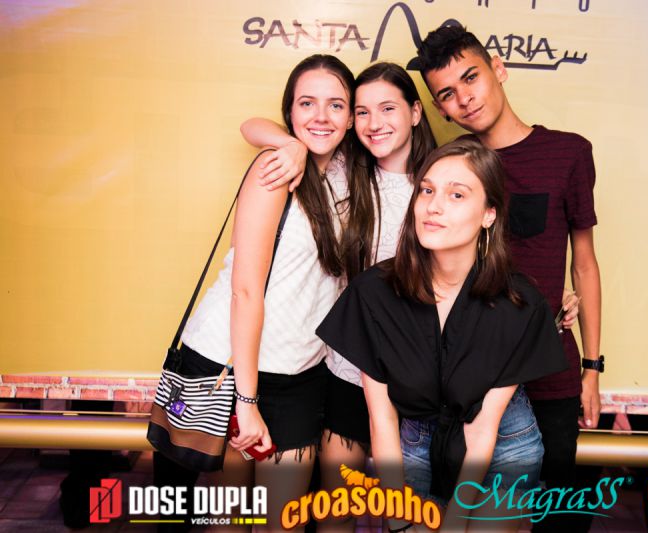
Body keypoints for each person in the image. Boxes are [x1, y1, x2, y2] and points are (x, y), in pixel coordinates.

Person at [317, 138, 567, 532]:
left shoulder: (519, 303)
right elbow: (381, 419)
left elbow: (482, 428)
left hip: (503, 444)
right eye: (427, 190)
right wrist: (397, 516)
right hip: (414, 442)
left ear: (489, 214)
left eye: (457, 195)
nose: (433, 206)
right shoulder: (373, 293)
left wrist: (454, 522)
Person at [154, 54, 358, 532]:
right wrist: (246, 403)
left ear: (352, 117)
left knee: (280, 519)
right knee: (218, 515)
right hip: (228, 364)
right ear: (289, 111)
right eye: (306, 103)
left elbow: (252, 125)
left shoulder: (349, 172)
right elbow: (245, 291)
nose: (321, 116)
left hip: (298, 369)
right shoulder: (276, 168)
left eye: (336, 105)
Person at [416, 24, 603, 532]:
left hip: (549, 373)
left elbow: (584, 263)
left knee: (557, 517)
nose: (463, 99)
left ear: (498, 69)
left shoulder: (568, 153)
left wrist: (592, 368)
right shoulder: (451, 165)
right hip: (469, 377)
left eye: (470, 78)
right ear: (439, 109)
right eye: (446, 94)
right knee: (464, 514)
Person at [240, 62, 438, 532]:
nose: (374, 123)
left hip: (418, 380)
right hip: (347, 373)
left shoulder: (441, 181)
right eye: (363, 111)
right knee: (336, 513)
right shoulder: (343, 168)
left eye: (388, 109)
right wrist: (288, 143)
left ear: (415, 112)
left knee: (414, 511)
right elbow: (251, 126)